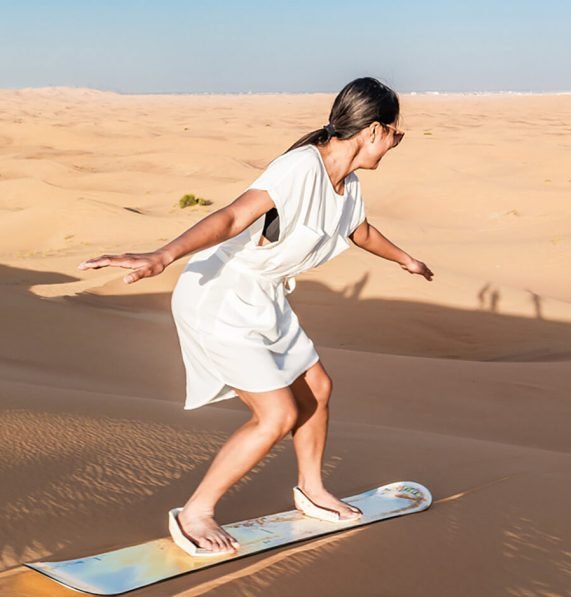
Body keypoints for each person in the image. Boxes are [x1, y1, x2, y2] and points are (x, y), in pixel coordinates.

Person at [77, 77, 434, 556]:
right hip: (220, 297)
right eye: (395, 134)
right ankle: (194, 513)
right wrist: (162, 256)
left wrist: (407, 259)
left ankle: (312, 489)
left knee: (318, 388)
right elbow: (231, 217)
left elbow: (360, 231)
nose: (394, 144)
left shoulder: (348, 185)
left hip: (264, 297)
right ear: (373, 130)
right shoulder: (300, 168)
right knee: (277, 415)